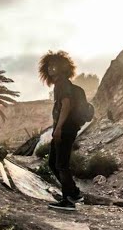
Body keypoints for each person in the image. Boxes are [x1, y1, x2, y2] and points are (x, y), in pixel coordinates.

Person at [38, 50, 88, 212]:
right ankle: (73, 193)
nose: (51, 68)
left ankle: (68, 201)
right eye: (49, 66)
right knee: (53, 162)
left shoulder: (62, 84)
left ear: (62, 67)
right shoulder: (62, 84)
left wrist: (58, 128)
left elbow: (66, 105)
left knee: (61, 164)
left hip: (65, 129)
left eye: (54, 65)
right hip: (67, 128)